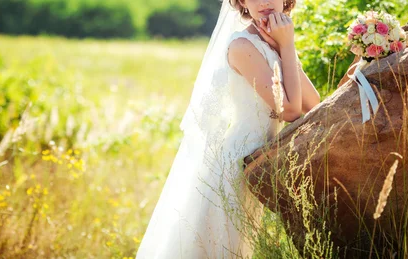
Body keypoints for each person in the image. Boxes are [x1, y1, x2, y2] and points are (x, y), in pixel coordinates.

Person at [136, 0, 320, 258]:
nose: (265, 2)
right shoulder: (242, 46)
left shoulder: (274, 42)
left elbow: (313, 105)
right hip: (234, 166)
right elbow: (290, 111)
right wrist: (287, 46)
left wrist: (283, 47)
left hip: (258, 162)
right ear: (242, 1)